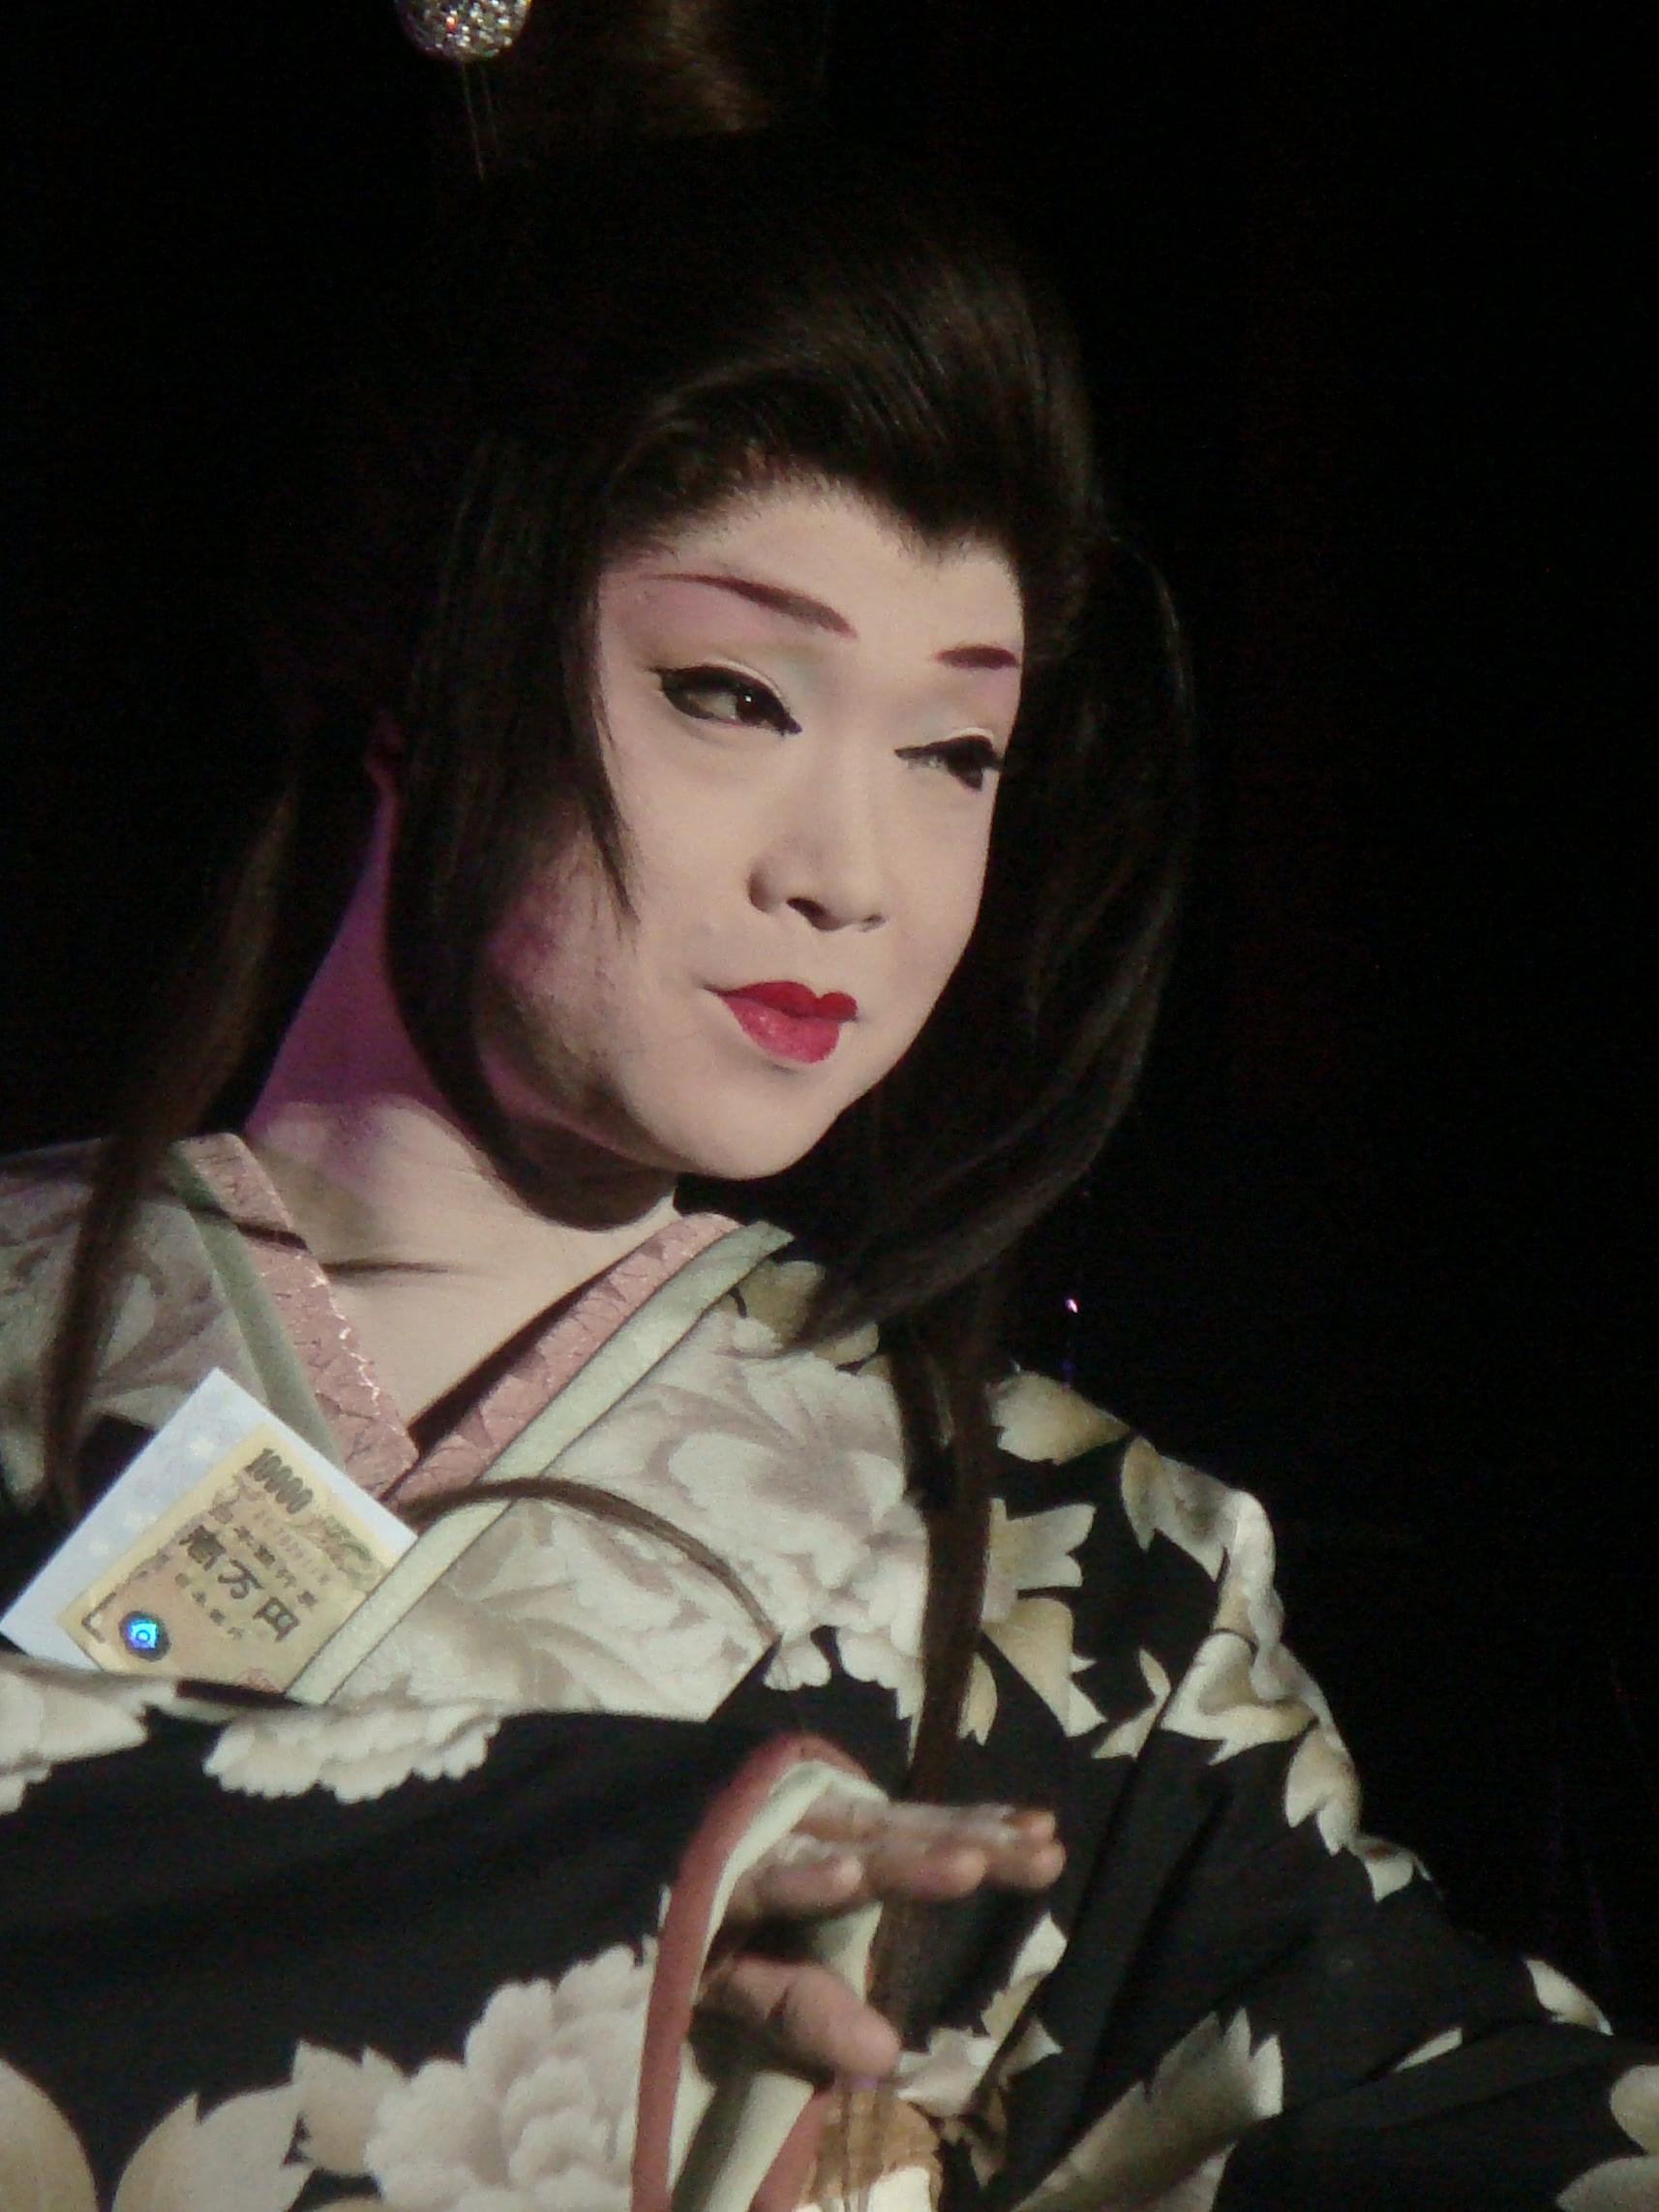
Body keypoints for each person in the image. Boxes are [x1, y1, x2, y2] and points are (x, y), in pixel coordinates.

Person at [1, 122, 1652, 2212]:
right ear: (417, 667)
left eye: (953, 751)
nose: (849, 873)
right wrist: (584, 1912)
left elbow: (1426, 2122)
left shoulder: (1076, 1574)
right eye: (729, 695)